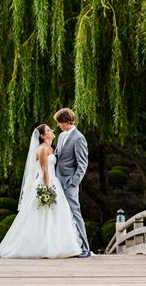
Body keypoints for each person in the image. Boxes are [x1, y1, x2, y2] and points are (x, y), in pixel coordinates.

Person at [0, 124, 82, 258]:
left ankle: (54, 245)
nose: (52, 131)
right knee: (42, 215)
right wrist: (47, 189)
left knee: (54, 216)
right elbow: (44, 170)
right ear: (42, 136)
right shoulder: (42, 149)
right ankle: (40, 247)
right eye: (48, 130)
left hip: (54, 183)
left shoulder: (51, 148)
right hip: (46, 184)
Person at [54, 108, 90, 258]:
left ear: (66, 121)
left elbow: (82, 164)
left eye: (59, 122)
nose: (58, 126)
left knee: (75, 213)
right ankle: (68, 246)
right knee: (60, 214)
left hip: (69, 183)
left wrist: (73, 182)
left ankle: (85, 248)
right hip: (56, 180)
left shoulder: (79, 138)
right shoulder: (62, 136)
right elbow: (59, 155)